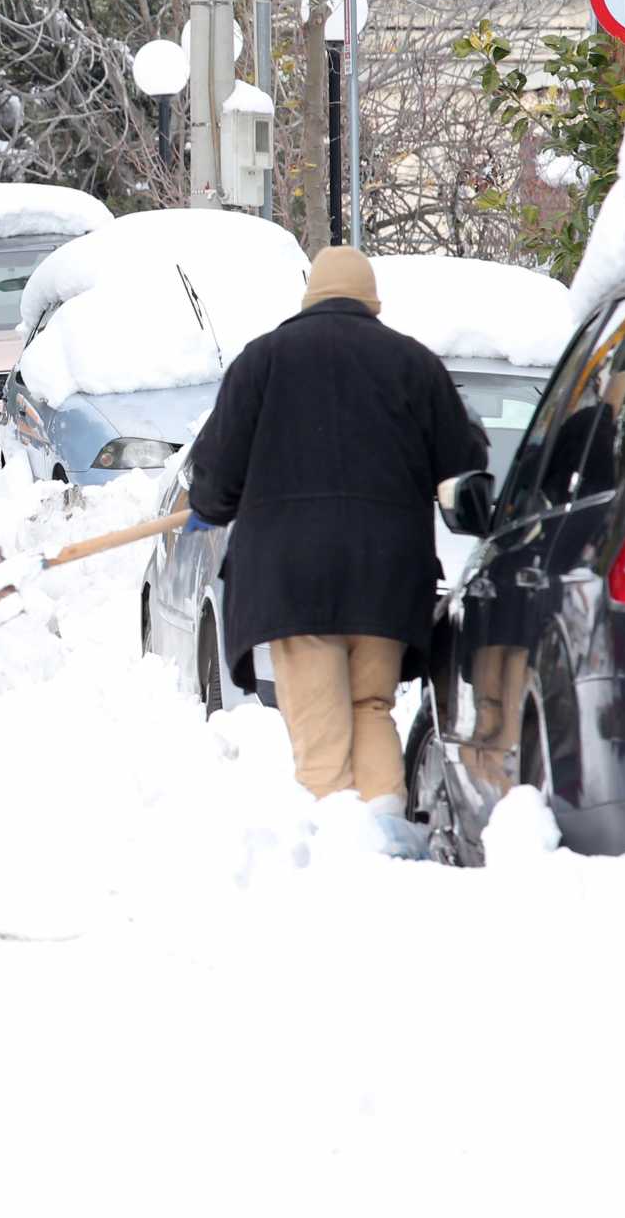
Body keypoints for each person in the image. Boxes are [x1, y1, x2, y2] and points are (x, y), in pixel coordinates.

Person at [184, 247, 487, 852]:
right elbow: (465, 468)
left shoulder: (261, 362)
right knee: (371, 705)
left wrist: (210, 504)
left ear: (309, 299)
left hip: (293, 579)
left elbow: (216, 480)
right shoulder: (414, 365)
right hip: (386, 577)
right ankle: (386, 835)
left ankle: (341, 851)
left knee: (319, 723)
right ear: (372, 302)